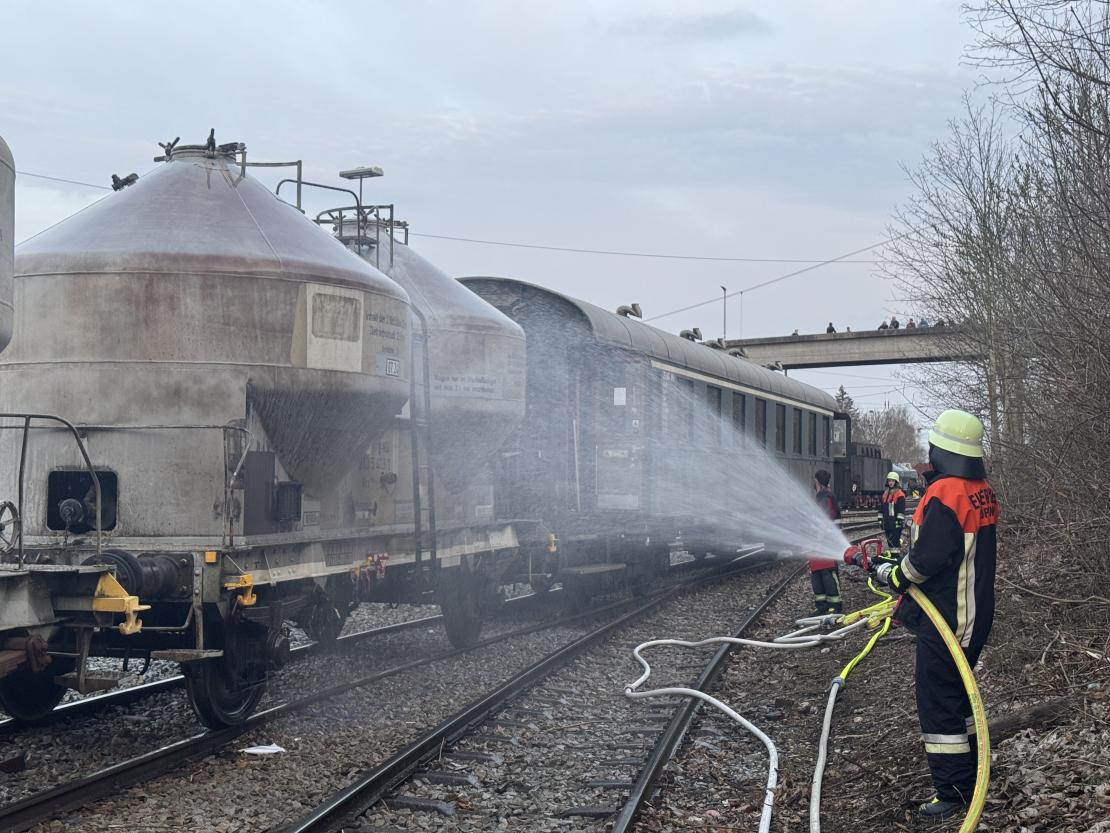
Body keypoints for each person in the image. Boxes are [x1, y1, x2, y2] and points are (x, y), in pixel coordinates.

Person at [871, 410, 999, 820]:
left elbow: (928, 559)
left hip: (948, 619)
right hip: (972, 615)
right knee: (961, 702)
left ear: (940, 448)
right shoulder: (980, 490)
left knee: (938, 705)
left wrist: (895, 574)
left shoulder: (947, 493)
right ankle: (973, 774)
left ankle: (953, 794)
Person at [808, 469, 842, 616]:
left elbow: (824, 520)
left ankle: (834, 606)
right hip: (819, 542)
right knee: (817, 574)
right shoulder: (823, 496)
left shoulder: (826, 497)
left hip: (825, 542)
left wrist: (819, 539)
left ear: (818, 482)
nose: (813, 484)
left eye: (815, 481)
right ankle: (822, 607)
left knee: (827, 574)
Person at [877, 470, 906, 549]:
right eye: (889, 480)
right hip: (887, 523)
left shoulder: (900, 494)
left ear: (896, 482)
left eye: (892, 481)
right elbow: (881, 508)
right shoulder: (885, 493)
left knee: (894, 543)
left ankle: (896, 557)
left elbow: (901, 510)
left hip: (895, 524)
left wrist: (899, 522)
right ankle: (893, 557)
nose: (890, 482)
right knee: (889, 542)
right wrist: (880, 519)